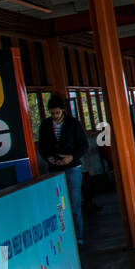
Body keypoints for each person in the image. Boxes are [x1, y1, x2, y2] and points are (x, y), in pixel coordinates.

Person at [37, 94, 88, 245]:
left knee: (74, 203)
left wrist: (71, 157)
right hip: (54, 168)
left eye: (57, 113)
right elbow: (42, 146)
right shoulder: (45, 125)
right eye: (52, 113)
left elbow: (83, 145)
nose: (54, 116)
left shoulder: (73, 124)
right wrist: (48, 158)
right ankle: (62, 237)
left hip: (72, 167)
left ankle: (78, 237)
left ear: (63, 111)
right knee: (56, 204)